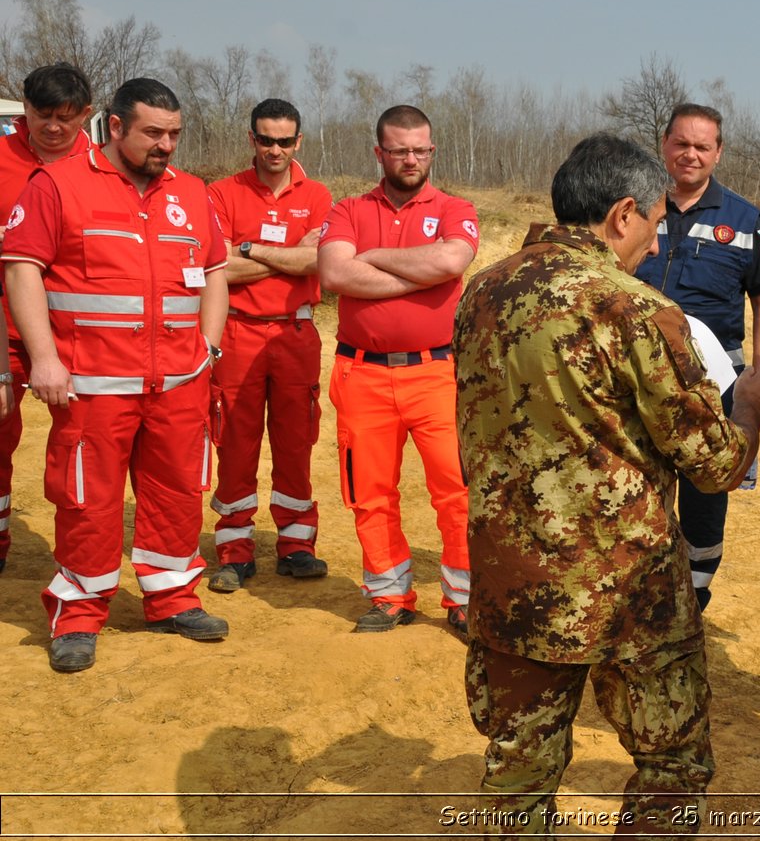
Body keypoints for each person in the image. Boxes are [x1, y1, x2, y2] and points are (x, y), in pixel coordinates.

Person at [455, 133, 760, 835]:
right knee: (671, 768)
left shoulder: (481, 293)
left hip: (512, 587)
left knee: (516, 779)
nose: (657, 244)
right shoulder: (633, 310)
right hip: (626, 598)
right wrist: (751, 407)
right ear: (623, 214)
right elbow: (714, 463)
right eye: (657, 224)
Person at [2, 77, 230, 673]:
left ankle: (173, 597)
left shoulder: (194, 192)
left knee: (178, 493)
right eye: (153, 133)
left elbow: (216, 273)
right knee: (88, 501)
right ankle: (78, 611)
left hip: (179, 385)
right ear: (115, 126)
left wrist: (208, 347)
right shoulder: (57, 185)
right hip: (93, 386)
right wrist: (45, 357)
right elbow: (23, 269)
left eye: (175, 134)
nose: (166, 146)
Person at [318, 105, 478, 634]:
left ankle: (463, 597)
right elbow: (335, 272)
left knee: (456, 489)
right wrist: (419, 271)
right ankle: (389, 595)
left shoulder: (456, 207)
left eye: (420, 149)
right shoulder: (347, 209)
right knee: (370, 490)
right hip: (360, 373)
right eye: (399, 149)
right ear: (379, 153)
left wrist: (375, 256)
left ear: (432, 151)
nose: (410, 159)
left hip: (437, 373)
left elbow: (452, 262)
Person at [632, 103, 760, 610]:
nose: (690, 154)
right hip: (637, 372)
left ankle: (694, 595)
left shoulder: (744, 220)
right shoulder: (635, 209)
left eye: (702, 146)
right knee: (636, 480)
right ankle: (637, 587)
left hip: (713, 378)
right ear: (664, 144)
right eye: (681, 143)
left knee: (706, 487)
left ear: (718, 152)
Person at [205, 99, 333, 592]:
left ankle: (297, 545)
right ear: (251, 139)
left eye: (284, 140)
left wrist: (248, 247)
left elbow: (317, 262)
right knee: (234, 440)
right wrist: (288, 255)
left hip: (295, 333)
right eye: (265, 139)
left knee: (296, 438)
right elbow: (219, 269)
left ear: (298, 141)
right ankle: (235, 550)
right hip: (236, 330)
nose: (274, 149)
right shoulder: (221, 193)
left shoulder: (320, 196)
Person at [0, 63, 94, 576]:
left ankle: (78, 559)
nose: (53, 127)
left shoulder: (103, 165)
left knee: (82, 448)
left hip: (78, 337)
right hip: (5, 334)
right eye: (41, 115)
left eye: (65, 117)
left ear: (87, 114)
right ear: (24, 110)